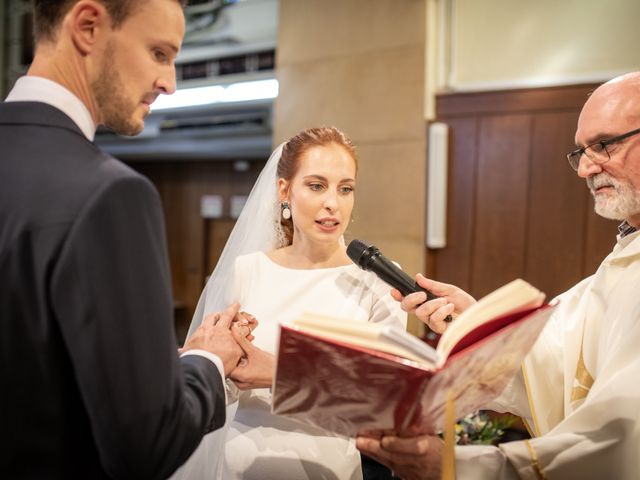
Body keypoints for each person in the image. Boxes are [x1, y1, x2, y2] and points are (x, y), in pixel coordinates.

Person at [0, 1, 249, 478]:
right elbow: (145, 442)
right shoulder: (109, 194)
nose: (170, 82)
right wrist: (208, 360)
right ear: (89, 26)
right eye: (159, 53)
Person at [356, 72, 640, 479]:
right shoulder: (626, 255)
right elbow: (555, 358)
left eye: (604, 144)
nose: (585, 169)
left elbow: (621, 436)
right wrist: (473, 321)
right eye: (581, 151)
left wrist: (458, 467)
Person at [171, 126, 407, 480]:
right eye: (316, 186)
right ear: (284, 190)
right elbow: (226, 387)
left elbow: (385, 402)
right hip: (241, 463)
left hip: (326, 467)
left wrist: (277, 372)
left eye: (345, 189)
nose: (333, 202)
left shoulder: (378, 281)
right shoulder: (248, 269)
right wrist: (212, 363)